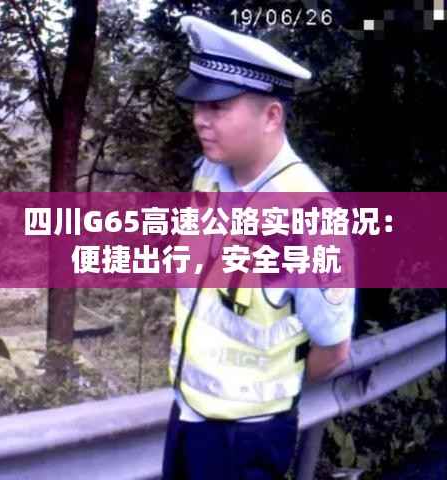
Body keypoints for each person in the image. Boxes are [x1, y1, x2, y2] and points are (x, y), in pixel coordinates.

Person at [162, 15, 356, 480]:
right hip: (186, 410)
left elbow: (333, 351)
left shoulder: (309, 216)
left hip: (247, 438)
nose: (200, 119)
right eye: (198, 105)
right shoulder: (210, 174)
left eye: (219, 106)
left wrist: (261, 391)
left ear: (271, 116)